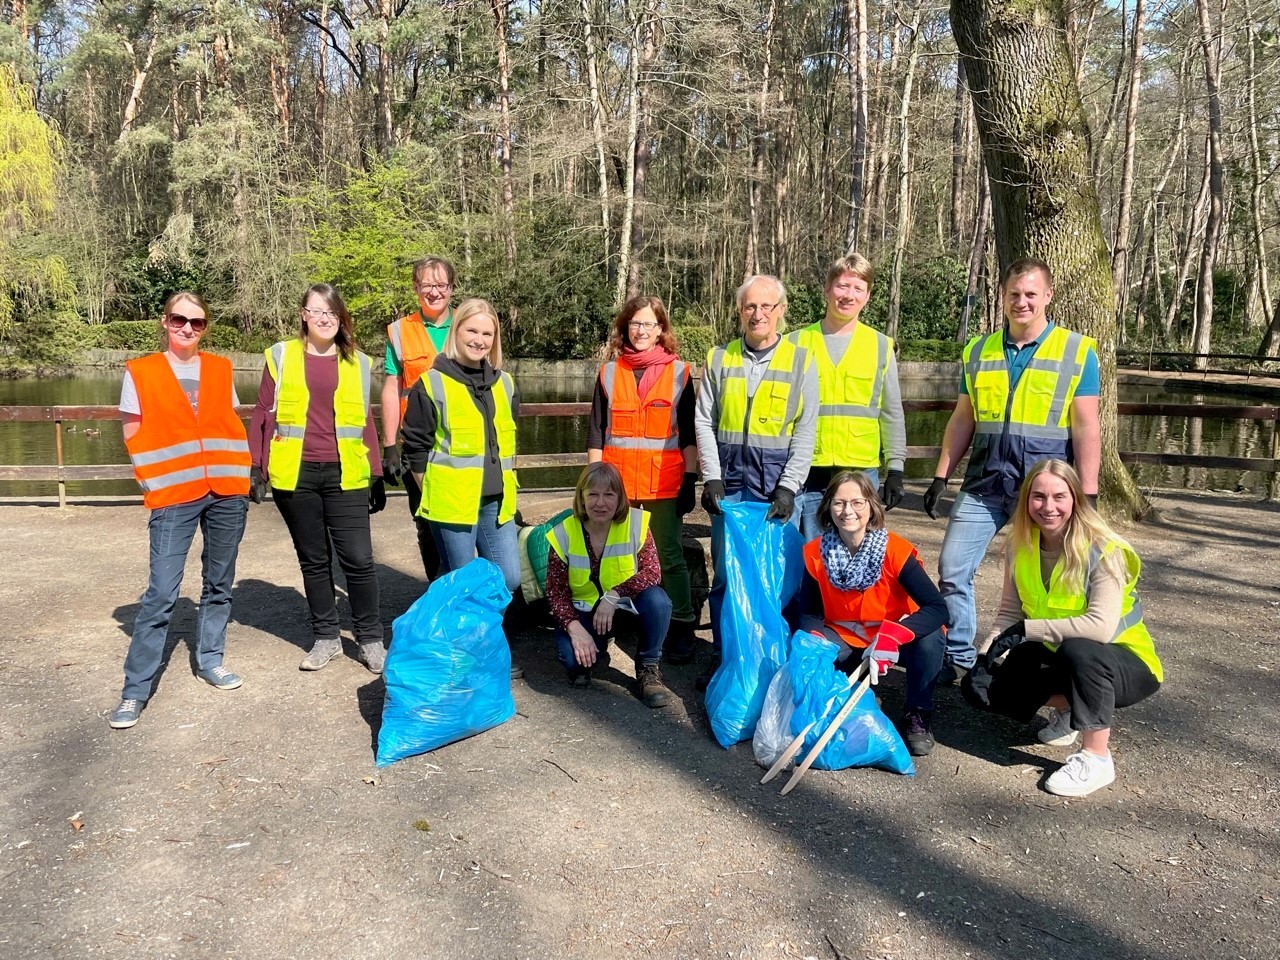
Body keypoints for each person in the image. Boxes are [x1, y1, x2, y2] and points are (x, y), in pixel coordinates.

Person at [923, 258, 1101, 682]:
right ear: (1002, 297)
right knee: (952, 568)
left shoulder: (1077, 351)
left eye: (1031, 294)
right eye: (1014, 294)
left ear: (1048, 296)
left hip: (1044, 492)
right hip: (985, 481)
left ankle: (1042, 666)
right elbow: (963, 418)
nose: (1022, 302)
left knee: (1051, 582)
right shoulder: (978, 351)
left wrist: (1087, 493)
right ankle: (961, 654)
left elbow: (1087, 426)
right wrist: (940, 474)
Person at [970, 459, 1161, 798]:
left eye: (1059, 496)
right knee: (996, 691)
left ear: (1075, 499)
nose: (1048, 507)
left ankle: (1096, 757)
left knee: (1080, 648)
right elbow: (1009, 612)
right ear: (1027, 500)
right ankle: (1070, 710)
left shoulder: (1104, 550)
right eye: (1038, 497)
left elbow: (1100, 629)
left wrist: (1028, 629)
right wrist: (986, 656)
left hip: (1125, 665)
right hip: (1063, 657)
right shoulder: (1020, 546)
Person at [109, 292, 251, 729]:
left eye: (197, 322)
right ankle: (135, 690)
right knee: (162, 593)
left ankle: (210, 659)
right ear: (165, 322)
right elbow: (133, 432)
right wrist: (150, 480)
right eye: (179, 319)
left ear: (205, 327)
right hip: (173, 496)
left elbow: (227, 419)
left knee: (219, 582)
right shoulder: (142, 371)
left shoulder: (220, 368)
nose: (188, 328)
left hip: (226, 490)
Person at [249, 284, 386, 673]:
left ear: (340, 317)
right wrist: (256, 467)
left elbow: (366, 419)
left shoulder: (358, 362)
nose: (324, 318)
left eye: (332, 312)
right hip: (297, 474)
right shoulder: (281, 355)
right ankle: (326, 637)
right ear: (304, 315)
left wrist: (375, 471)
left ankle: (371, 640)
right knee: (314, 559)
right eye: (316, 311)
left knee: (359, 559)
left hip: (347, 473)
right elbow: (263, 413)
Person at [694, 274, 818, 685]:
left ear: (782, 311)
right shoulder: (719, 358)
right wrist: (710, 478)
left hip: (774, 492)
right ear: (739, 310)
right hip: (729, 490)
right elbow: (704, 421)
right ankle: (728, 658)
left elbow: (805, 432)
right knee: (727, 576)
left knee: (779, 579)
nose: (758, 313)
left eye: (767, 306)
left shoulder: (801, 362)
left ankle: (775, 665)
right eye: (750, 306)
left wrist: (789, 487)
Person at [401, 297, 523, 672]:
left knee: (509, 578)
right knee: (461, 582)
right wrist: (432, 490)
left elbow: (508, 443)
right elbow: (415, 448)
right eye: (472, 330)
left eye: (487, 333)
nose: (479, 339)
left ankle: (461, 642)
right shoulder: (432, 383)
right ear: (457, 332)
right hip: (451, 503)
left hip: (495, 501)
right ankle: (470, 658)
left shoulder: (505, 384)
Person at [795, 471, 949, 756]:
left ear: (871, 507)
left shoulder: (895, 551)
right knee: (807, 644)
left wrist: (894, 636)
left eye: (857, 502)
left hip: (895, 639)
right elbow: (808, 614)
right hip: (847, 638)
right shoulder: (815, 553)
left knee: (932, 639)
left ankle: (918, 713)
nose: (848, 511)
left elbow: (938, 609)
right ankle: (839, 699)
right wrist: (816, 644)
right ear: (828, 507)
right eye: (839, 503)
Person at [586, 296, 699, 664]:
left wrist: (691, 480)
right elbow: (596, 434)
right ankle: (612, 619)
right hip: (616, 486)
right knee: (613, 555)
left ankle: (682, 624)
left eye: (649, 324)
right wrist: (592, 483)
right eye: (635, 324)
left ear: (662, 330)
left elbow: (688, 437)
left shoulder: (679, 373)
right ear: (625, 329)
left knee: (669, 555)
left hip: (662, 485)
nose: (641, 331)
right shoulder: (608, 373)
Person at [790, 254, 907, 540]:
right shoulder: (796, 343)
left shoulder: (880, 345)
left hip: (860, 468)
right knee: (809, 554)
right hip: (808, 467)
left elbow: (891, 412)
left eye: (858, 289)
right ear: (827, 289)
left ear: (867, 296)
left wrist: (896, 469)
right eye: (842, 286)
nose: (849, 295)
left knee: (858, 553)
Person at [545, 463, 673, 708]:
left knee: (658, 601)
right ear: (581, 498)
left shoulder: (636, 524)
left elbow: (652, 572)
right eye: (592, 494)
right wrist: (575, 629)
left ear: (620, 498)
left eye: (608, 495)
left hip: (624, 608)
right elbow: (555, 591)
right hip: (584, 611)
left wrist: (614, 595)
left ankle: (648, 667)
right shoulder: (563, 533)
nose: (600, 503)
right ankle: (594, 645)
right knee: (572, 661)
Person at [380, 256, 456, 580]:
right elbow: (390, 388)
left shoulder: (469, 324)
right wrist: (389, 446)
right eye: (427, 285)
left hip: (460, 442)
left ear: (452, 288)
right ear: (415, 287)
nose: (434, 292)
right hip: (417, 446)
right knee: (426, 522)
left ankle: (462, 590)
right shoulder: (399, 332)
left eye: (441, 285)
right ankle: (437, 591)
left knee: (464, 520)